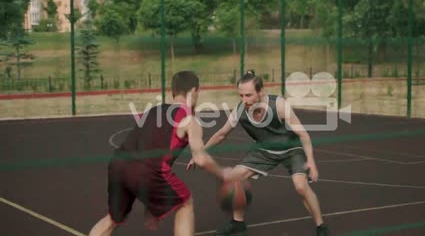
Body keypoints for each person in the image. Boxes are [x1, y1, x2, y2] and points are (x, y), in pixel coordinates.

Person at [187, 70, 329, 236]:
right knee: (235, 177)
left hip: (292, 149)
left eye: (248, 95)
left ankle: (321, 226)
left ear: (261, 92)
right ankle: (238, 222)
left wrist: (311, 161)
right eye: (241, 95)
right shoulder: (240, 110)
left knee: (301, 187)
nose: (244, 100)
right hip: (264, 150)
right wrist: (199, 153)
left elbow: (303, 134)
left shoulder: (279, 105)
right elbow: (221, 134)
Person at [88, 71, 230, 236]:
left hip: (118, 164)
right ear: (193, 91)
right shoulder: (190, 120)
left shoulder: (152, 111)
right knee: (185, 204)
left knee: (112, 219)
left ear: (172, 92)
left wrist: (151, 203)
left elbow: (146, 148)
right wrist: (224, 174)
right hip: (146, 171)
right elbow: (200, 159)